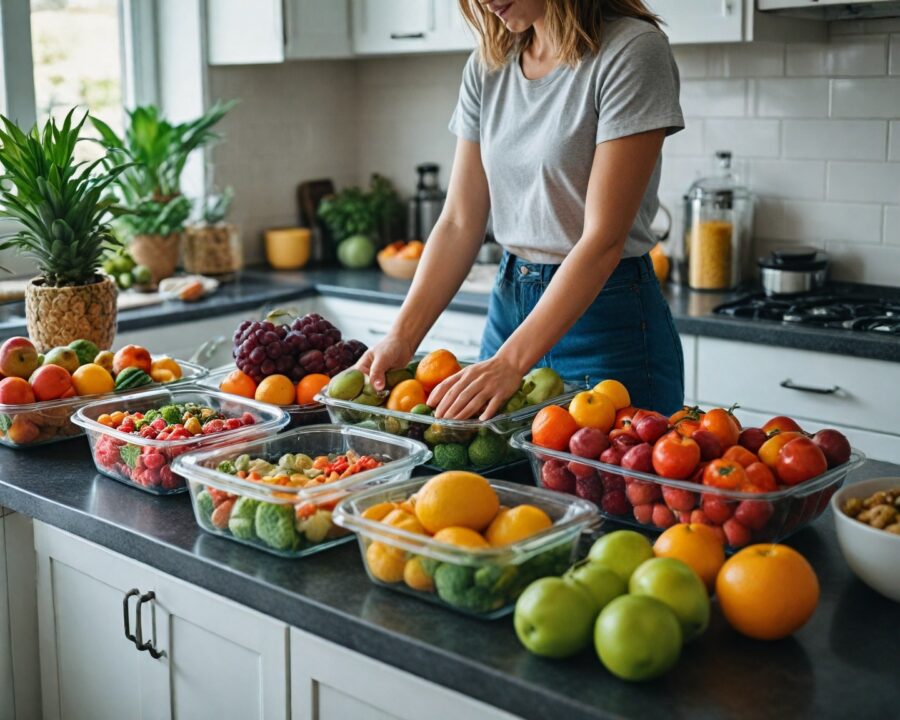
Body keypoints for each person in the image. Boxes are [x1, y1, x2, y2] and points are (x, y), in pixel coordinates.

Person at [357, 0, 685, 420]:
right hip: (510, 306)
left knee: (603, 482)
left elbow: (603, 239)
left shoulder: (633, 50)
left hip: (608, 320)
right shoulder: (489, 65)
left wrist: (511, 363)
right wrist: (402, 337)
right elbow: (459, 221)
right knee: (493, 479)